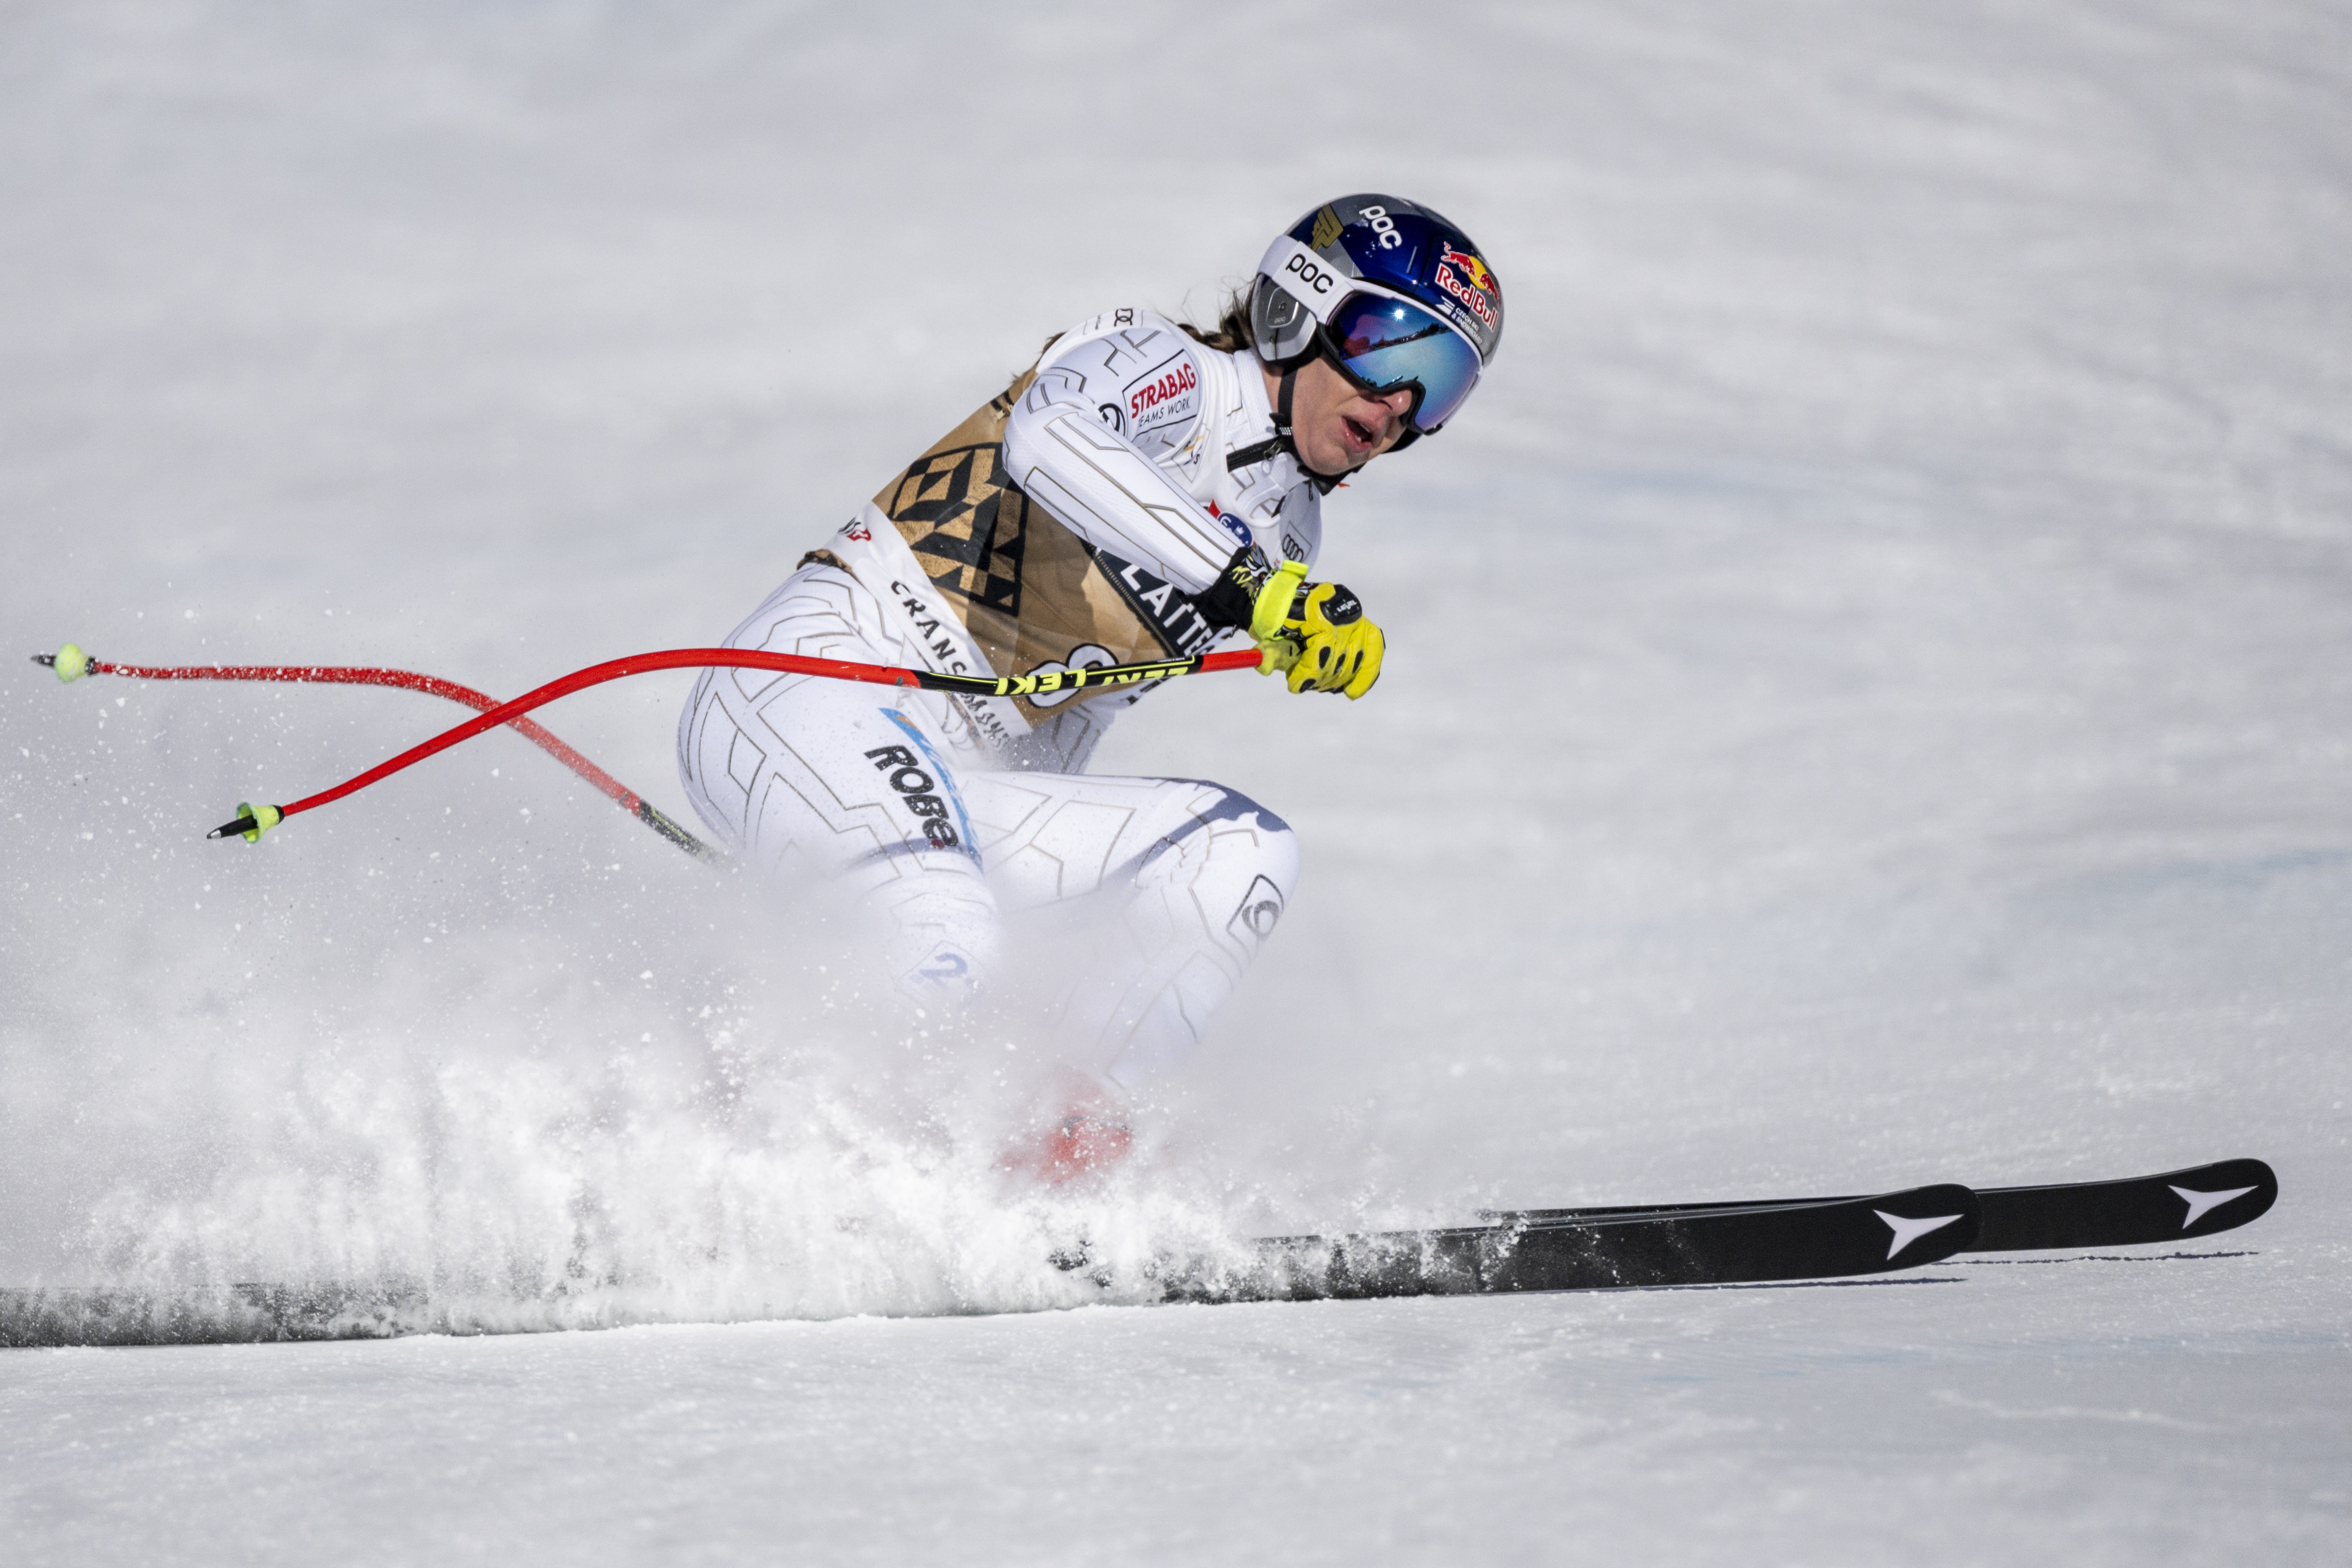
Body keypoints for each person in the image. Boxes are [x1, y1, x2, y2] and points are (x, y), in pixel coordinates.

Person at [676, 195, 1503, 1181]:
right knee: (945, 938)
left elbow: (1068, 724)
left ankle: (1060, 1158)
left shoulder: (1289, 534)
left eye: (1441, 384)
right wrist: (1248, 587)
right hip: (818, 678)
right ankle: (706, 1172)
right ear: (1299, 308)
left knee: (1238, 851)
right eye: (1388, 348)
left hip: (950, 772)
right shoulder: (1169, 371)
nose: (1401, 404)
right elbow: (1050, 436)